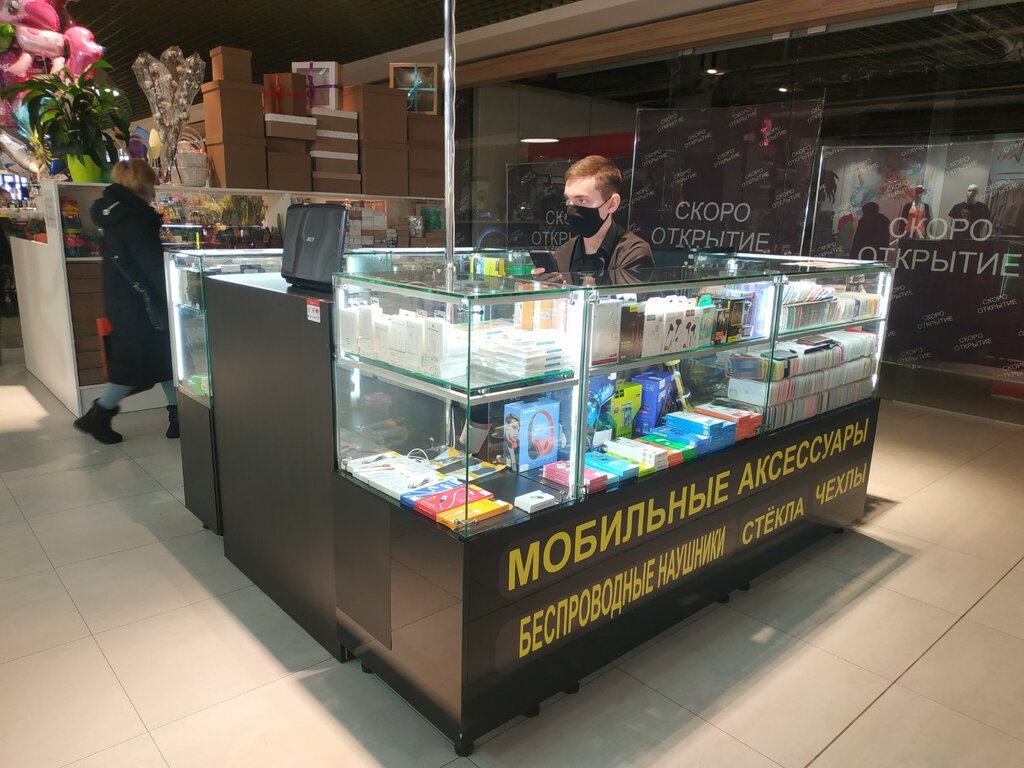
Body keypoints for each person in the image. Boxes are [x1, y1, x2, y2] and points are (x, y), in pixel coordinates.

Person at [74, 159, 178, 444]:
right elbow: (152, 266)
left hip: (125, 302)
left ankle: (178, 416)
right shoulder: (135, 218)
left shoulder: (116, 214)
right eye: (153, 183)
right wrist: (177, 291)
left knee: (165, 358)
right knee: (132, 366)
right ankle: (97, 416)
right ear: (144, 185)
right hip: (142, 306)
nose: (155, 190)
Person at [539, 155, 654, 275]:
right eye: (569, 200)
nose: (572, 208)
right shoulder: (563, 254)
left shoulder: (633, 253)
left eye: (582, 200)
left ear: (612, 204)